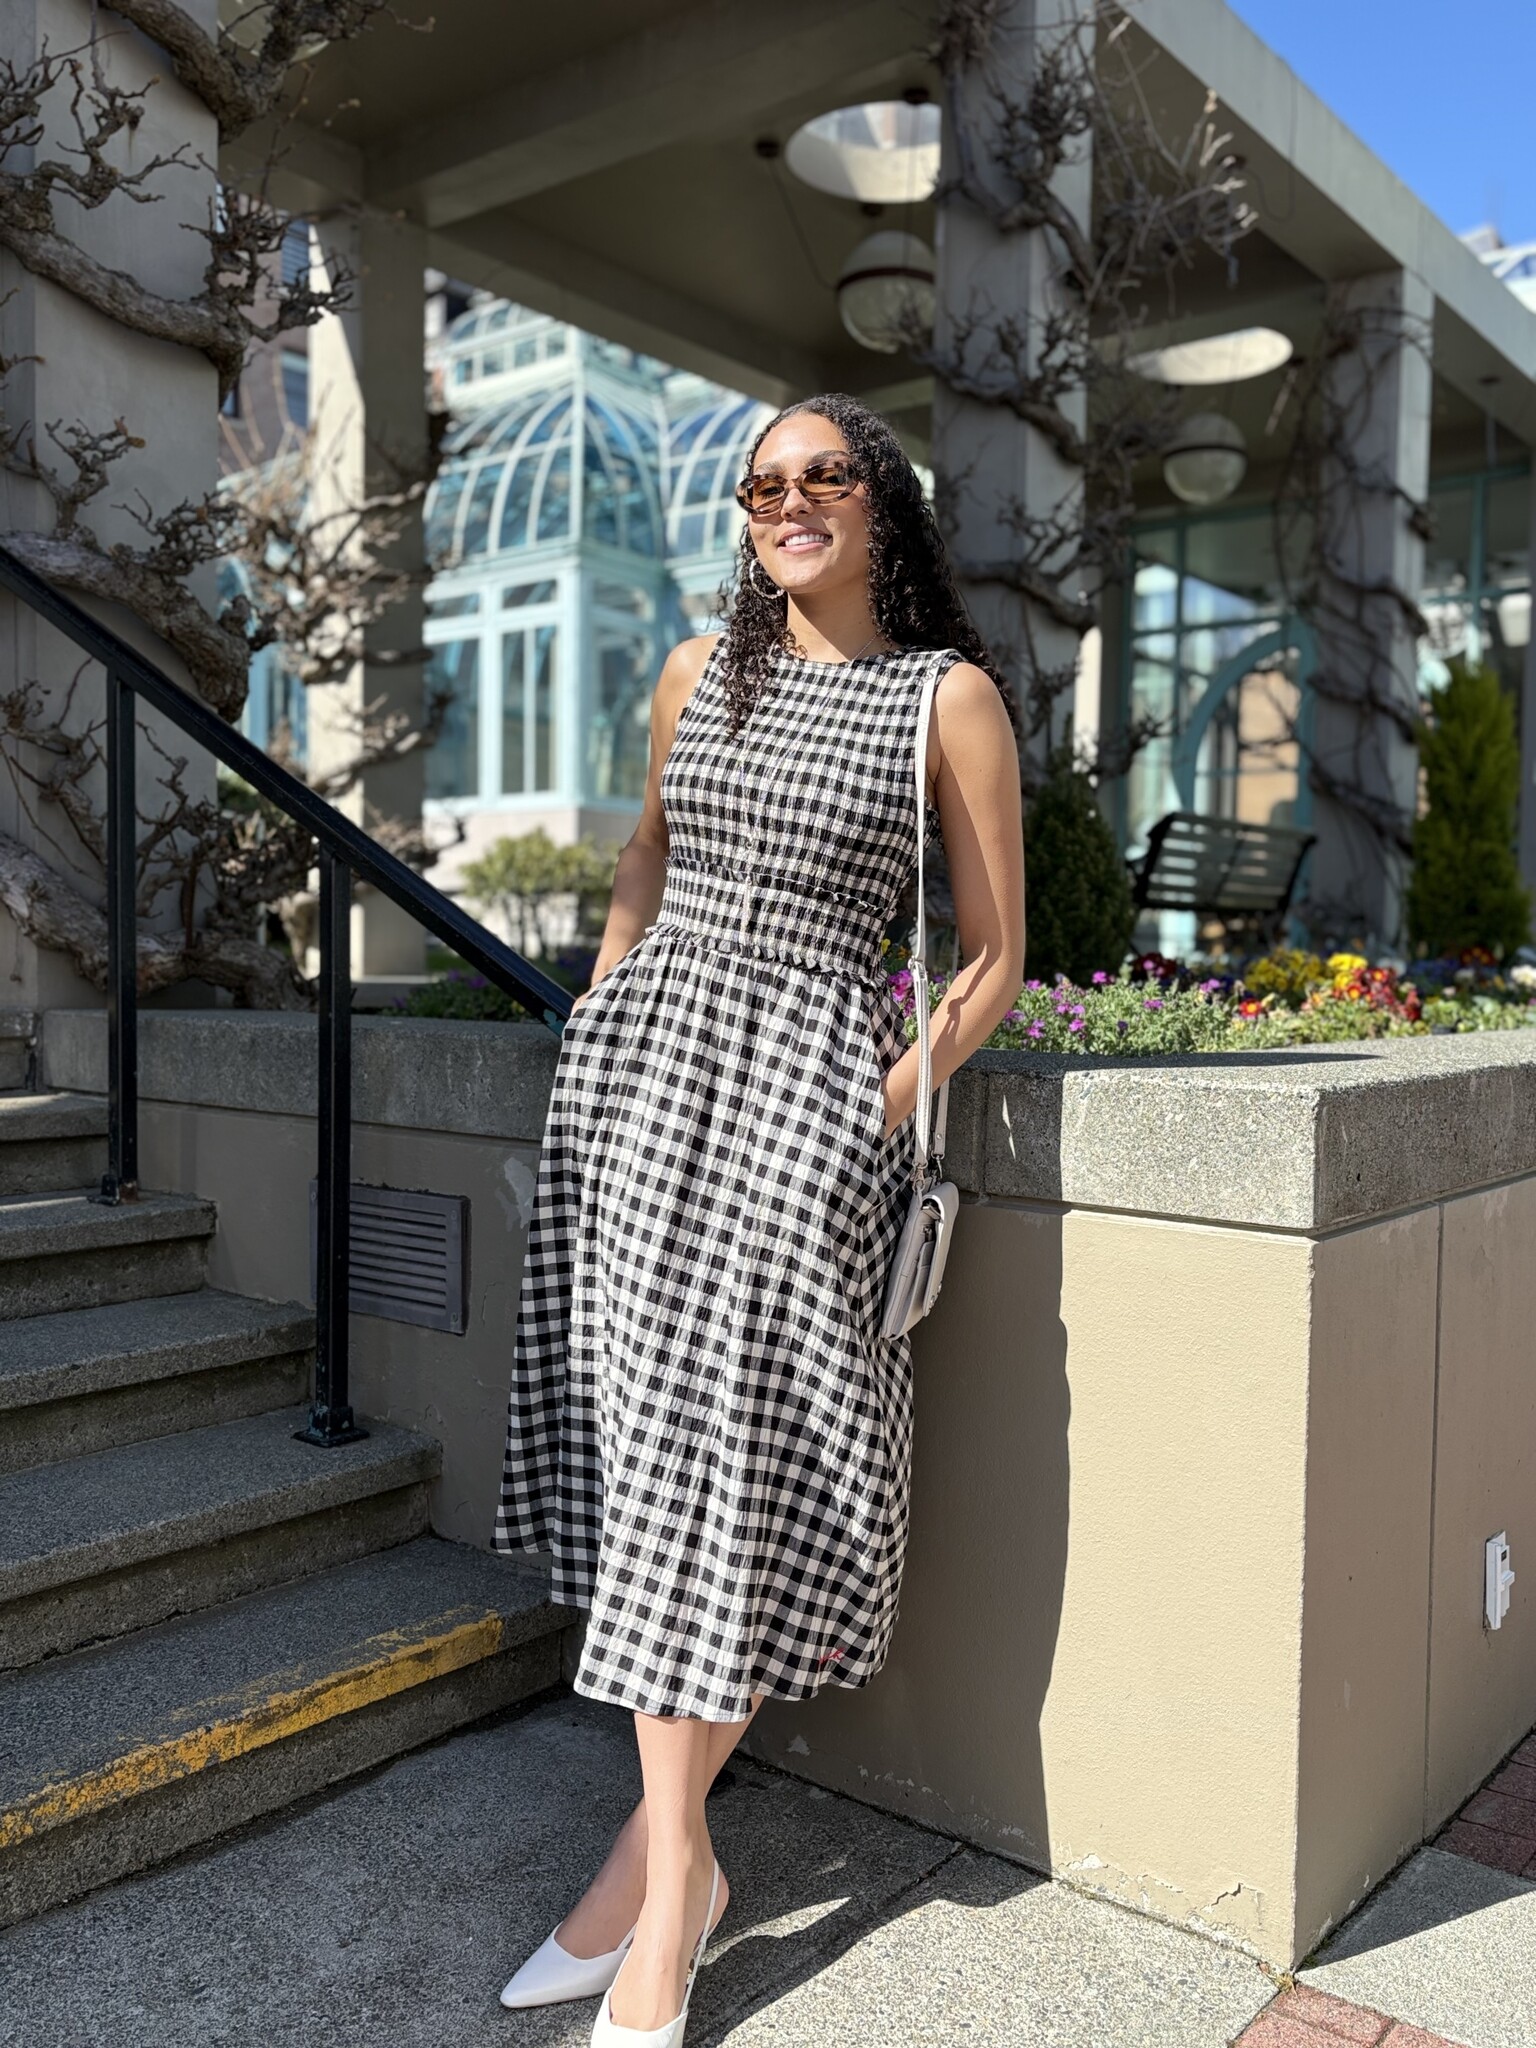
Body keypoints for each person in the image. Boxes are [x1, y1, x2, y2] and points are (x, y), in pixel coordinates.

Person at [492, 392, 1027, 2047]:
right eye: (763, 484)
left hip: (806, 1103)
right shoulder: (695, 672)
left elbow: (995, 958)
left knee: (737, 1473)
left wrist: (869, 1113)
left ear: (880, 503)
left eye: (823, 477)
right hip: (645, 1095)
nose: (789, 502)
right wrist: (598, 1018)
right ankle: (671, 1876)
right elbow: (645, 863)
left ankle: (656, 1898)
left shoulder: (944, 698)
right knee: (661, 1470)